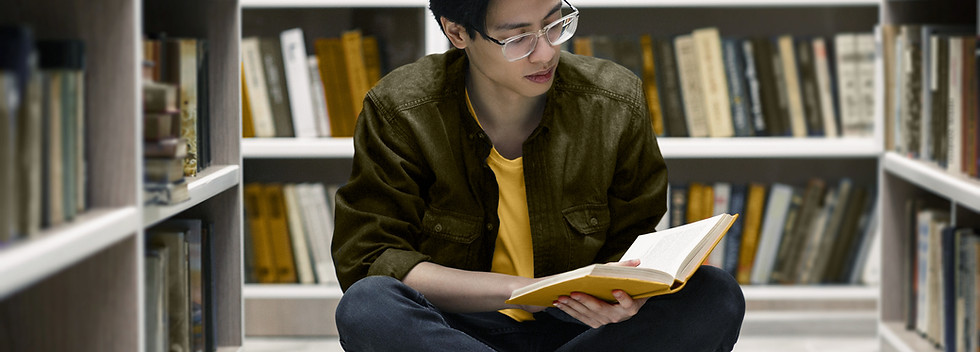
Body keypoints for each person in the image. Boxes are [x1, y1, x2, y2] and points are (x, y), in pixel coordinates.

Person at [331, 0, 745, 350]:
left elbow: (631, 245)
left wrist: (626, 295)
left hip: (582, 329)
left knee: (715, 294)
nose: (545, 52)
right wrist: (523, 293)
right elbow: (374, 258)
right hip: (456, 332)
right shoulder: (402, 110)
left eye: (554, 24)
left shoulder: (614, 102)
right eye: (518, 38)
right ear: (457, 33)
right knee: (367, 306)